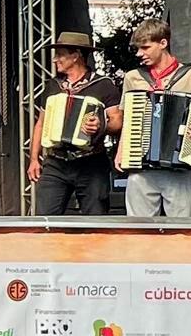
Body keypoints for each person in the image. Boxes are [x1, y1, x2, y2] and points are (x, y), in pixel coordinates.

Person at [116, 19, 191, 217]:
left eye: (145, 48)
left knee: (182, 227)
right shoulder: (133, 77)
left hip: (179, 164)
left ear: (163, 43)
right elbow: (128, 119)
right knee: (139, 227)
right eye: (137, 49)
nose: (139, 54)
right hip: (140, 164)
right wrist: (121, 151)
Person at [27, 31, 123, 216]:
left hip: (91, 162)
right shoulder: (53, 86)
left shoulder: (103, 85)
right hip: (55, 161)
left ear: (76, 55)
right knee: (44, 219)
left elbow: (117, 122)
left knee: (95, 217)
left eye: (60, 54)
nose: (55, 59)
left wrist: (101, 124)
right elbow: (41, 123)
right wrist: (33, 159)